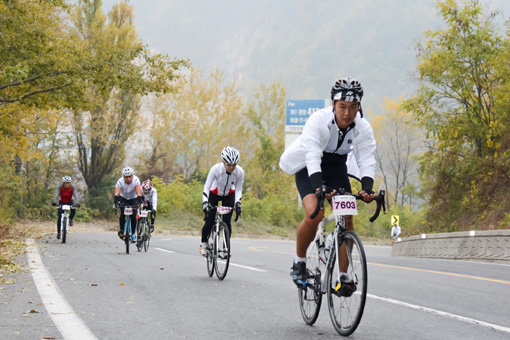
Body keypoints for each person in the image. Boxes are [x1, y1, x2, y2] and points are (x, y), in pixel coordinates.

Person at [279, 77, 376, 292]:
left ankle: (344, 277)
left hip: (336, 168)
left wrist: (367, 188)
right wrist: (318, 187)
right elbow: (312, 156)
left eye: (353, 107)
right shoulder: (317, 120)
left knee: (347, 218)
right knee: (316, 212)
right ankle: (299, 262)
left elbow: (367, 157)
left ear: (359, 107)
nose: (347, 113)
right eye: (342, 106)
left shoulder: (362, 127)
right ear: (333, 105)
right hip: (309, 166)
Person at [200, 146, 244, 256]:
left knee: (227, 222)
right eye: (229, 165)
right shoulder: (216, 169)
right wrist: (205, 202)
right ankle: (204, 244)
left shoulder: (239, 172)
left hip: (229, 195)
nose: (231, 168)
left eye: (234, 165)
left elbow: (238, 189)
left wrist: (238, 203)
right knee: (209, 221)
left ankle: (225, 248)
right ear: (223, 162)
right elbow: (206, 187)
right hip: (214, 193)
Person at [114, 167, 142, 241]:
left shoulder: (136, 180)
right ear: (123, 177)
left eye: (129, 176)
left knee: (133, 216)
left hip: (134, 198)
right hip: (123, 198)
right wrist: (116, 203)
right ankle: (122, 231)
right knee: (123, 214)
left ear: (132, 176)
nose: (128, 179)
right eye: (126, 177)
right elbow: (117, 193)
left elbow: (138, 192)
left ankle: (133, 233)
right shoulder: (120, 181)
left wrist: (139, 202)